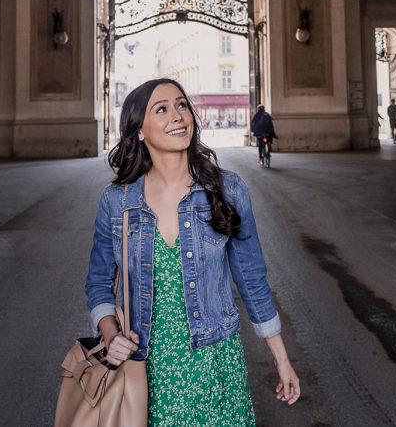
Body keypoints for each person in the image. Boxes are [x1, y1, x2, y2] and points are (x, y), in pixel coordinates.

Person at [85, 78, 300, 426]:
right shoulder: (118, 202)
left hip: (216, 365)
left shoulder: (227, 190)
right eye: (162, 109)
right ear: (139, 130)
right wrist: (112, 336)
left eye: (182, 105)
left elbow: (252, 281)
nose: (178, 116)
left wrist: (282, 359)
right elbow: (97, 284)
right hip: (147, 370)